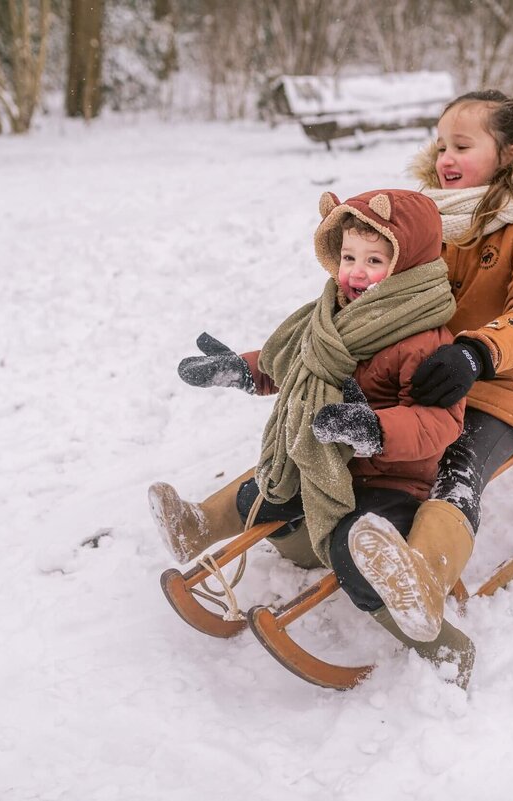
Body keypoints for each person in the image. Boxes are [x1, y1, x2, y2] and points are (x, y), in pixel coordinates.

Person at [149, 189, 475, 683]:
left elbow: (439, 424)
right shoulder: (330, 318)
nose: (356, 272)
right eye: (348, 257)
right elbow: (294, 366)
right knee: (271, 485)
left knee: (354, 549)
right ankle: (196, 525)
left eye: (374, 260)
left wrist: (373, 429)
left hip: (390, 482)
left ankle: (440, 643)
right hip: (326, 464)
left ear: (408, 265)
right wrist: (240, 370)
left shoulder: (424, 339)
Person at [346, 90, 513, 645]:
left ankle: (423, 577)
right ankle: (298, 526)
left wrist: (477, 352)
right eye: (441, 144)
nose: (445, 157)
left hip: (499, 385)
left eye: (463, 145)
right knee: (350, 434)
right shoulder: (425, 218)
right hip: (416, 377)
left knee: (457, 464)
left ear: (509, 154)